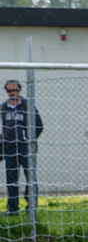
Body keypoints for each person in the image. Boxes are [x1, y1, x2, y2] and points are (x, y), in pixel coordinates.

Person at [2, 79, 43, 216]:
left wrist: (28, 140)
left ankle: (31, 209)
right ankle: (12, 209)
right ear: (6, 91)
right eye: (9, 90)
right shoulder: (3, 107)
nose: (12, 93)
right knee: (11, 179)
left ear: (19, 90)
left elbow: (39, 125)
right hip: (9, 148)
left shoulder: (27, 105)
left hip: (26, 148)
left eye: (15, 90)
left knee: (30, 178)